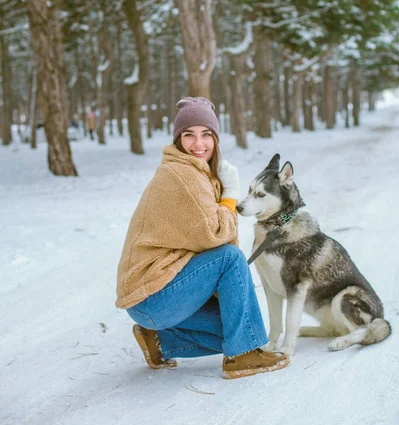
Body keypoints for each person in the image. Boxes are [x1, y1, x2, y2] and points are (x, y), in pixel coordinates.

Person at [116, 97, 289, 379]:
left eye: (206, 135)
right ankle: (242, 356)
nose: (199, 144)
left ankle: (162, 341)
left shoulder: (193, 171)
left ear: (216, 139)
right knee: (232, 261)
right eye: (189, 135)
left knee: (238, 325)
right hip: (154, 296)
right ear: (178, 139)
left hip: (150, 301)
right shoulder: (182, 175)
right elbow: (218, 237)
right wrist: (230, 194)